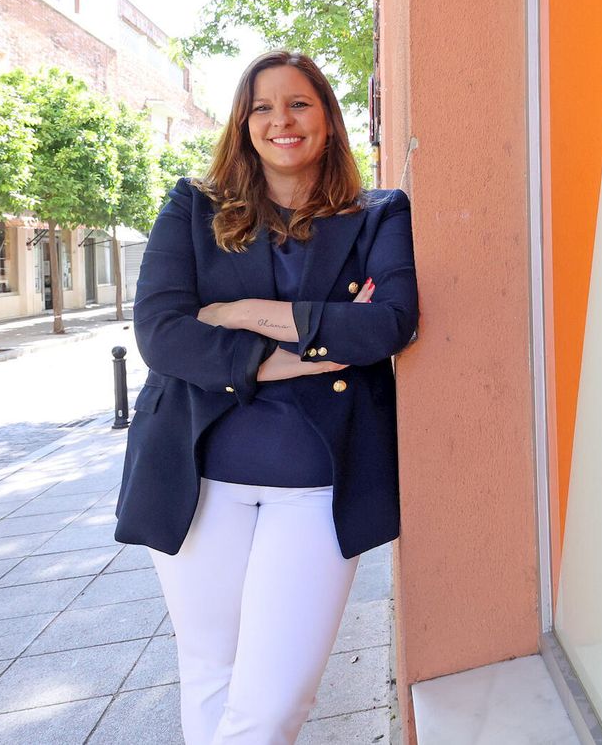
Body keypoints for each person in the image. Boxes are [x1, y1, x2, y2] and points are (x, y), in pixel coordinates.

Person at [114, 51, 417, 744]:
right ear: (243, 124)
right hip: (197, 482)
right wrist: (316, 346)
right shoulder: (193, 206)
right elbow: (163, 336)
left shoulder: (377, 215)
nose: (282, 119)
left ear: (329, 119)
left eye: (300, 103)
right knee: (212, 677)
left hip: (317, 487)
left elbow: (388, 324)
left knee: (272, 704)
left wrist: (241, 309)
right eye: (263, 107)